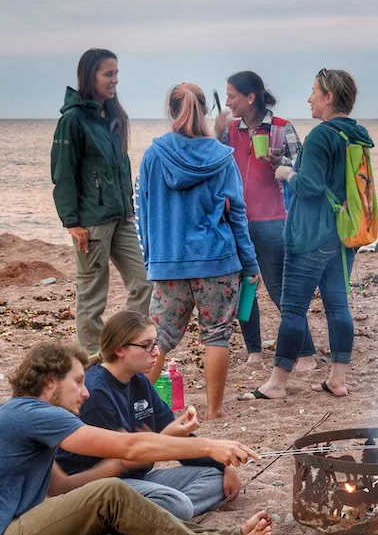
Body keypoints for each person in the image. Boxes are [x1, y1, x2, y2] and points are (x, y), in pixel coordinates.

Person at [0, 341, 273, 535]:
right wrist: (209, 446)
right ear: (49, 382)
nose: (86, 393)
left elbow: (63, 487)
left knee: (112, 498)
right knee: (111, 494)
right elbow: (130, 446)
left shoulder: (19, 415)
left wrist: (116, 467)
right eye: (77, 381)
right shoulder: (32, 414)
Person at [238, 69, 373, 401]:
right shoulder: (357, 134)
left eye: (313, 92)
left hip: (310, 235)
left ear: (329, 97)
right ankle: (338, 379)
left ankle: (277, 384)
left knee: (293, 308)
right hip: (343, 233)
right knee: (337, 306)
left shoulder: (320, 136)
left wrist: (286, 173)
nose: (309, 98)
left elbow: (310, 186)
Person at [135, 83, 259, 419]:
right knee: (217, 335)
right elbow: (237, 213)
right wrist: (250, 263)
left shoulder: (153, 155)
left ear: (171, 111)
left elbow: (142, 211)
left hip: (169, 262)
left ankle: (142, 412)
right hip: (217, 260)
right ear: (204, 111)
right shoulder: (221, 157)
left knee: (158, 338)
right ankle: (214, 412)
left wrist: (152, 259)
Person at [54, 311, 239, 520]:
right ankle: (143, 520)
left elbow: (174, 437)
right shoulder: (95, 392)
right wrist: (166, 438)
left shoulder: (138, 380)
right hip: (102, 486)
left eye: (155, 344)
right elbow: (128, 456)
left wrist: (223, 464)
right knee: (178, 505)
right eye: (146, 345)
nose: (156, 352)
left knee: (213, 477)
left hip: (138, 479)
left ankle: (150, 519)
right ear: (119, 349)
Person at [213, 71, 316, 370]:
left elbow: (302, 171)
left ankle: (306, 353)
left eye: (232, 95)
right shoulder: (229, 130)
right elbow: (211, 163)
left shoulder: (282, 129)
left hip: (273, 220)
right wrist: (215, 132)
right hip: (236, 221)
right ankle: (254, 352)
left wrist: (279, 162)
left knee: (278, 289)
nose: (228, 101)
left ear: (251, 97)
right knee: (244, 288)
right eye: (227, 95)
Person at [51, 48, 150, 355]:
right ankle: (94, 361)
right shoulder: (73, 121)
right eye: (108, 74)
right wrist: (72, 223)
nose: (114, 80)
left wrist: (130, 206)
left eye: (116, 74)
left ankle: (125, 345)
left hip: (121, 216)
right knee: (93, 296)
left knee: (143, 283)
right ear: (89, 74)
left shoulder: (115, 116)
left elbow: (121, 167)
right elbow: (62, 173)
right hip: (91, 221)